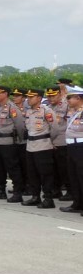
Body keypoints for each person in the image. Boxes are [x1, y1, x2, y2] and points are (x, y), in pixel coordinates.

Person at [0, 86, 25, 202]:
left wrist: (18, 139)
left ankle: (17, 192)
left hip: (8, 142)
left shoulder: (12, 108)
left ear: (6, 94)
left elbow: (20, 126)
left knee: (12, 168)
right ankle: (0, 190)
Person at [22, 88, 57, 208]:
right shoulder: (28, 112)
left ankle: (48, 198)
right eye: (28, 97)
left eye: (31, 97)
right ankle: (35, 196)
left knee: (45, 173)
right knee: (32, 173)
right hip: (30, 146)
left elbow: (55, 129)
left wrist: (48, 140)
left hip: (43, 145)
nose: (28, 99)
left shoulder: (46, 111)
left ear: (39, 98)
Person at [61, 85, 83, 215]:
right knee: (73, 176)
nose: (67, 100)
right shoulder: (74, 112)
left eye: (70, 97)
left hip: (80, 147)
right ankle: (77, 203)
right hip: (71, 147)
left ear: (78, 98)